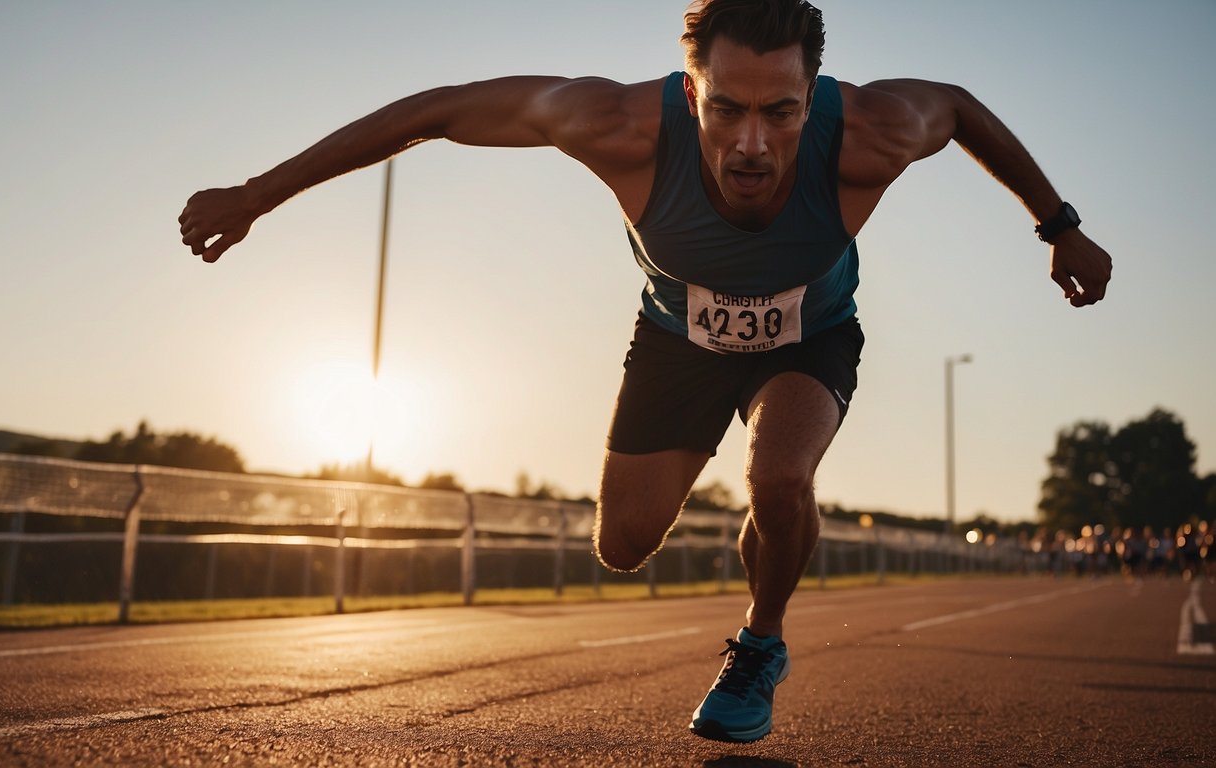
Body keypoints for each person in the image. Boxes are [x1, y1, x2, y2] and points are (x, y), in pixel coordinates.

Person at [179, 0, 1113, 743]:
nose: (752, 143)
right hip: (678, 342)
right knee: (623, 543)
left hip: (809, 336)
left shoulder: (872, 131)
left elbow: (957, 106)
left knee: (780, 480)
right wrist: (260, 193)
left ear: (814, 95)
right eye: (727, 109)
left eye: (781, 112)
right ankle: (742, 544)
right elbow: (440, 109)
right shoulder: (619, 123)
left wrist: (1058, 223)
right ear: (690, 89)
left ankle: (760, 643)